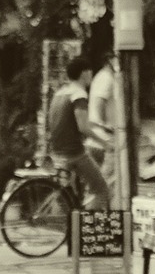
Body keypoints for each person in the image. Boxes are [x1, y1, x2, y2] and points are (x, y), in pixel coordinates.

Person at [46, 49, 114, 211]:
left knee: (69, 195)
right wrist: (105, 143)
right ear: (84, 73)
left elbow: (78, 120)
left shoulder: (60, 93)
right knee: (101, 190)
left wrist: (102, 126)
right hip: (74, 153)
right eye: (90, 72)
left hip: (57, 151)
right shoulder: (79, 95)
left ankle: (73, 221)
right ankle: (86, 222)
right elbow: (83, 127)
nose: (91, 75)